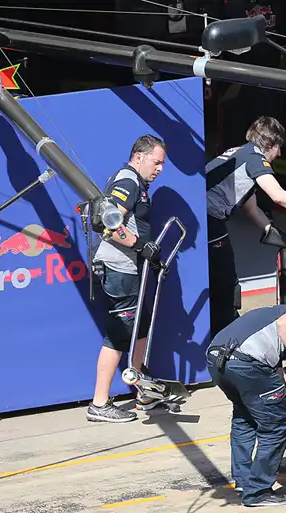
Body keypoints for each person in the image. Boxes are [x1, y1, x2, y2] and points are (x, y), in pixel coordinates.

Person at [205, 116, 286, 337]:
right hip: (209, 219)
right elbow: (278, 196)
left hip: (206, 218)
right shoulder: (254, 157)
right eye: (278, 147)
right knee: (226, 282)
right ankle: (226, 334)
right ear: (270, 143)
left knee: (224, 281)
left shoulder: (241, 154)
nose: (280, 154)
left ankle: (225, 327)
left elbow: (252, 210)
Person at [205, 292, 286, 507]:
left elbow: (274, 379)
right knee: (275, 428)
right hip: (247, 363)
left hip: (217, 360)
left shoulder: (267, 319)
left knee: (245, 419)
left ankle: (244, 481)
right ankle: (257, 491)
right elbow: (285, 324)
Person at [87, 134, 168, 424]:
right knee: (119, 335)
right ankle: (99, 404)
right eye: (156, 162)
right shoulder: (128, 181)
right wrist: (139, 245)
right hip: (118, 268)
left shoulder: (136, 183)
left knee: (140, 328)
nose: (160, 169)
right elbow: (107, 226)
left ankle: (143, 391)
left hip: (130, 268)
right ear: (138, 157)